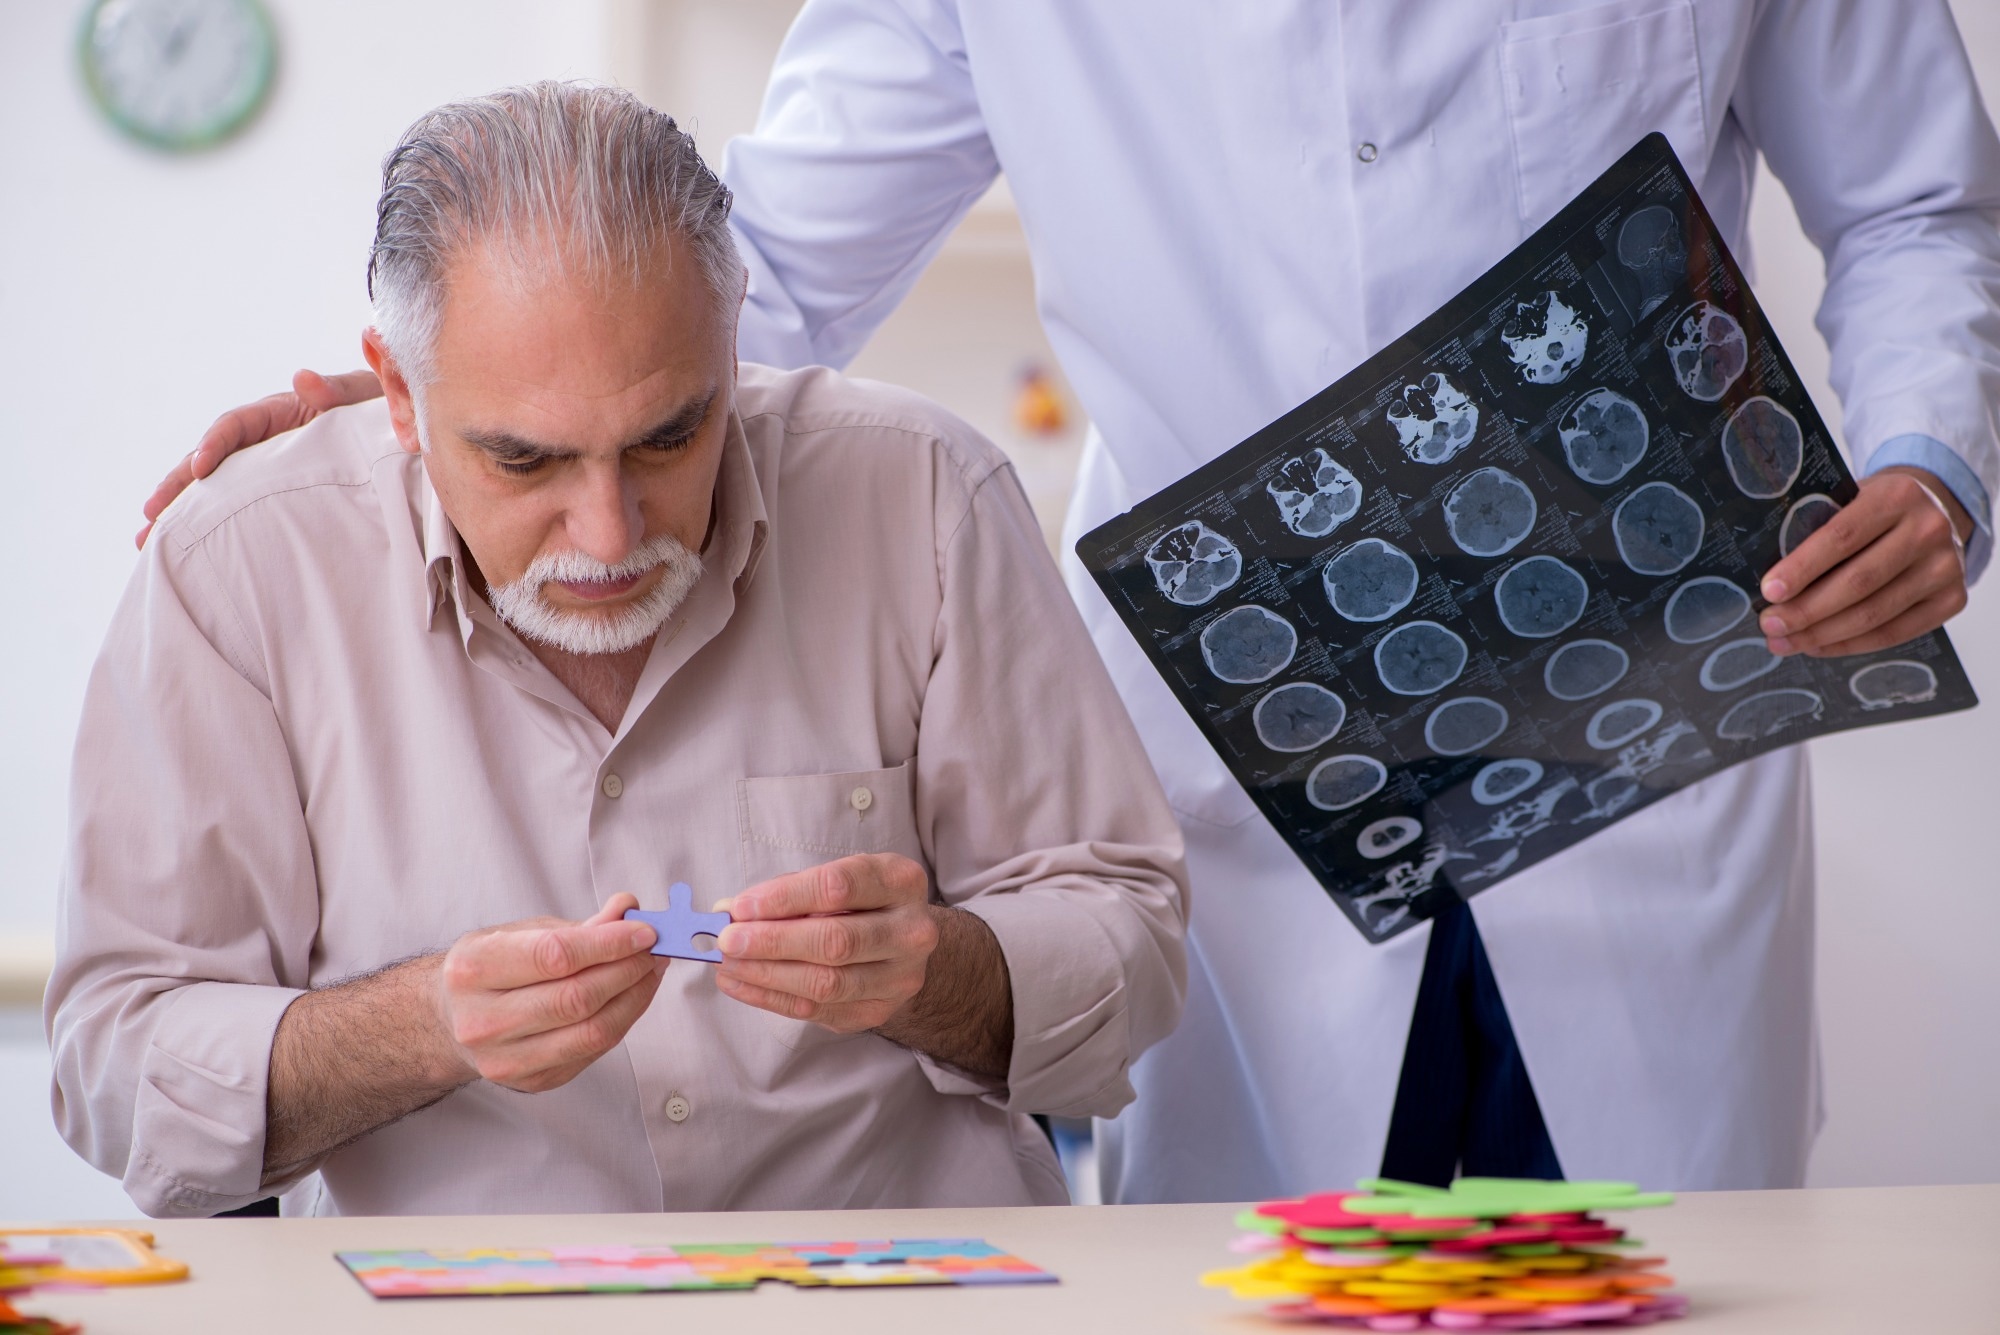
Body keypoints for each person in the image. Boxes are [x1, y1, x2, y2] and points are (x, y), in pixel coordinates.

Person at [146, 3, 2000, 1199]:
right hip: (1237, 753)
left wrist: (1931, 461)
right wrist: (413, 423)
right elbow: (753, 273)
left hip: (1655, 726)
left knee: (1661, 1279)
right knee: (1252, 1283)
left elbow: (1920, 198)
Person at [50, 82, 1188, 1218]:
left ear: (731, 338)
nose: (609, 535)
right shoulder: (236, 567)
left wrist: (933, 973)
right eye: (524, 460)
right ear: (397, 391)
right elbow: (115, 1066)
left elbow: (1128, 935)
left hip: (917, 1288)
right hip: (462, 1300)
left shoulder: (926, 493)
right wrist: (421, 1027)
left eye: (669, 438)